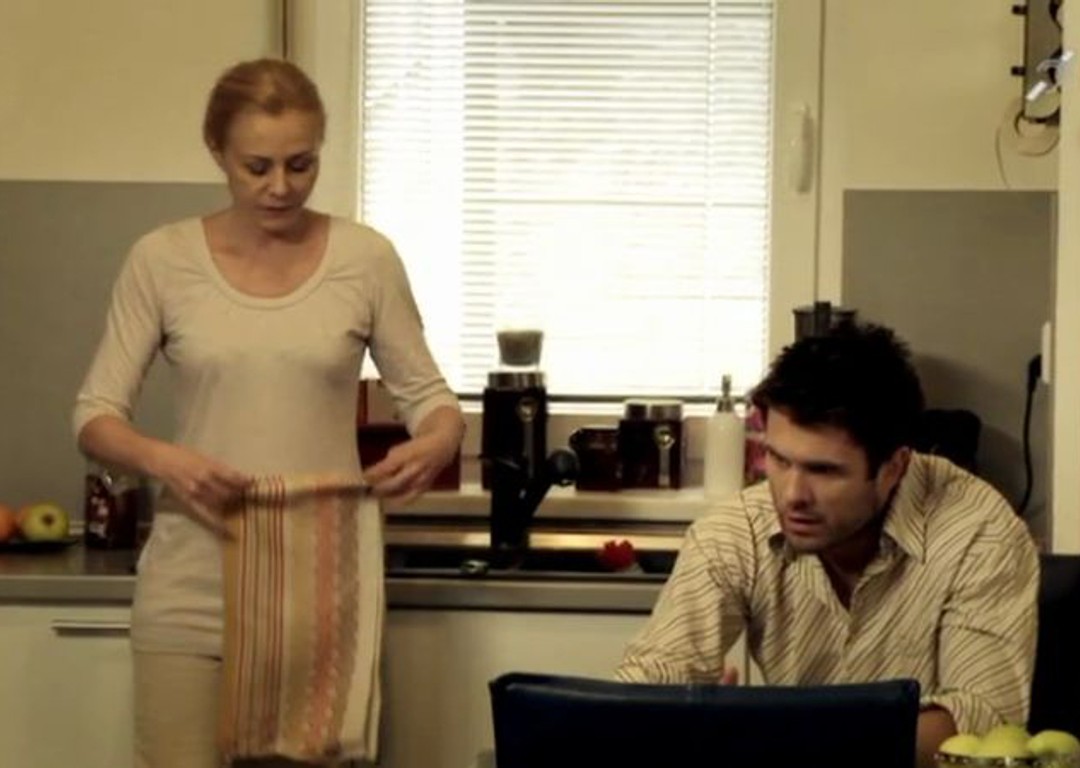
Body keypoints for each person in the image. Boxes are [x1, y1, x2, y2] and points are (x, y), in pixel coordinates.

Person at [72, 58, 464, 767]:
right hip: (192, 587)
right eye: (256, 167)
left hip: (319, 596)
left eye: (300, 164)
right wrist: (167, 462)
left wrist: (438, 438)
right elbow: (95, 417)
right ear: (216, 151)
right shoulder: (160, 260)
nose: (280, 187)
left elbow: (431, 399)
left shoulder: (366, 259)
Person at [615, 322, 1039, 768]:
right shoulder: (734, 534)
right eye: (779, 459)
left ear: (894, 467)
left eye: (824, 471)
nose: (792, 494)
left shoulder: (981, 534)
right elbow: (647, 687)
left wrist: (749, 732)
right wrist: (668, 713)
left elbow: (983, 727)